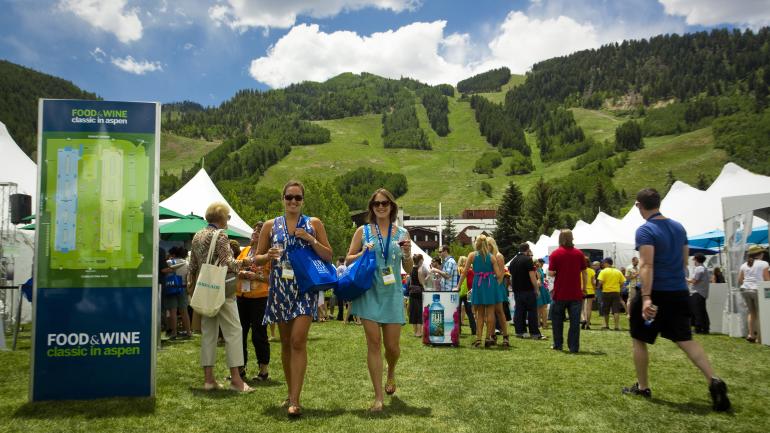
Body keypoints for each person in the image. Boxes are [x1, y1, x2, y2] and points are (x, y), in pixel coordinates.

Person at [623, 188, 730, 412]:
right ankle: (714, 380)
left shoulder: (645, 230)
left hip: (656, 292)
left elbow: (646, 264)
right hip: (679, 291)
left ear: (639, 205)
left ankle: (643, 386)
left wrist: (646, 298)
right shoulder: (679, 227)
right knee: (685, 339)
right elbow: (683, 261)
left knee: (639, 339)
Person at [254, 180, 334, 417]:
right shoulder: (270, 226)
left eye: (298, 198)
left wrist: (311, 240)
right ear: (283, 198)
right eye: (289, 197)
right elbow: (257, 258)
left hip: (305, 290)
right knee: (287, 343)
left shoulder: (313, 223)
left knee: (298, 341)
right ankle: (291, 393)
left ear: (303, 201)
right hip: (279, 290)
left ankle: (295, 401)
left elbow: (329, 256)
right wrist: (267, 255)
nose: (293, 202)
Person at [346, 188, 413, 412]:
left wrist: (408, 254)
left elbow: (408, 267)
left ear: (392, 206)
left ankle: (391, 372)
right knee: (373, 343)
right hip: (368, 293)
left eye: (385, 203)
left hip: (392, 293)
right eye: (377, 204)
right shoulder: (362, 231)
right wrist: (363, 251)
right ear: (372, 208)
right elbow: (347, 260)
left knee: (392, 347)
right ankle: (378, 397)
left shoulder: (402, 233)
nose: (381, 207)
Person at [187, 202, 255, 393]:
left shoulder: (197, 235)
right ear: (221, 217)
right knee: (234, 331)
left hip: (204, 289)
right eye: (228, 216)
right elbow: (229, 263)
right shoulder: (221, 235)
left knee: (209, 333)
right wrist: (248, 261)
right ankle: (236, 380)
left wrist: (191, 288)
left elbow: (192, 266)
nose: (228, 220)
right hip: (222, 289)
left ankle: (208, 379)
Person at [235, 222, 271, 382]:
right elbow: (233, 268)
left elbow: (273, 278)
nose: (255, 232)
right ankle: (240, 370)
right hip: (241, 296)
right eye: (255, 230)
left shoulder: (269, 255)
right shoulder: (244, 251)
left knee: (259, 334)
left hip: (260, 298)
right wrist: (240, 273)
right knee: (239, 334)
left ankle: (263, 371)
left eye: (260, 231)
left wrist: (256, 277)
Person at [457, 234, 503, 347]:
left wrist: (458, 286)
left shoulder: (472, 255)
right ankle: (488, 338)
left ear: (476, 244)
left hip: (478, 284)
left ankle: (478, 339)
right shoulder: (491, 257)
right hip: (489, 284)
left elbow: (464, 272)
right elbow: (498, 274)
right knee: (490, 312)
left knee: (480, 313)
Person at [547, 230, 588, 353]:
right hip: (575, 293)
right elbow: (584, 272)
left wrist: (557, 272)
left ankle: (558, 344)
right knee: (575, 323)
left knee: (557, 321)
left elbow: (551, 272)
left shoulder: (555, 254)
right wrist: (584, 288)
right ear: (572, 238)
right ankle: (574, 347)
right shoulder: (579, 254)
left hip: (560, 293)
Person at [510, 243, 546, 340]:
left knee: (519, 311)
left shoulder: (513, 261)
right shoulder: (527, 260)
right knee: (532, 312)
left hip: (517, 290)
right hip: (528, 290)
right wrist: (537, 289)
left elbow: (512, 277)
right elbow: (532, 276)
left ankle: (520, 332)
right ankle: (534, 333)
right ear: (528, 250)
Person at [738, 244, 769, 343]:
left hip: (745, 290)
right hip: (757, 290)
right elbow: (767, 280)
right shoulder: (764, 264)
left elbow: (740, 280)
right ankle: (760, 337)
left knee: (752, 313)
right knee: (761, 313)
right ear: (760, 254)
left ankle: (751, 334)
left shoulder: (744, 265)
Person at [164, 246, 192, 340]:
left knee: (173, 312)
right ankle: (188, 332)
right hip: (183, 288)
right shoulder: (186, 263)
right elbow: (189, 276)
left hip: (171, 288)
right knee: (184, 311)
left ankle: (174, 333)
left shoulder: (169, 262)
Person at [486, 237, 510, 347]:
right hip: (489, 286)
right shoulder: (488, 256)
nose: (487, 247)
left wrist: (495, 287)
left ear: (492, 245)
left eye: (488, 244)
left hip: (497, 287)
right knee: (490, 312)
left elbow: (501, 275)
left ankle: (505, 336)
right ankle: (492, 335)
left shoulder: (499, 256)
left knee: (499, 311)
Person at [597, 258, 625, 330]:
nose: (603, 264)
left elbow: (600, 282)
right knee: (616, 310)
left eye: (603, 262)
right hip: (616, 292)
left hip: (606, 292)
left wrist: (598, 289)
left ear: (607, 263)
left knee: (606, 310)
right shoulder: (618, 271)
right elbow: (622, 282)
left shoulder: (603, 271)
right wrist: (619, 288)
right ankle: (616, 326)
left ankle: (606, 325)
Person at [687, 253, 710, 335]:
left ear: (696, 259)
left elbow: (694, 281)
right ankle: (705, 328)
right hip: (701, 293)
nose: (693, 261)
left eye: (694, 259)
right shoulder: (703, 268)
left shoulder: (699, 268)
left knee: (697, 312)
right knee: (702, 311)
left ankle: (698, 328)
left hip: (697, 293)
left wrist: (684, 279)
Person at [407, 254, 427, 337]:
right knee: (419, 312)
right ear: (420, 260)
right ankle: (419, 332)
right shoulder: (420, 269)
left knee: (413, 312)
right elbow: (421, 282)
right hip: (419, 292)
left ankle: (415, 332)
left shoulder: (410, 269)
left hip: (412, 292)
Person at [457, 256, 476, 336]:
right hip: (469, 292)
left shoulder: (458, 270)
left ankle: (458, 329)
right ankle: (474, 329)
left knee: (458, 311)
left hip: (459, 292)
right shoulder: (470, 271)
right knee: (469, 312)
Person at [535, 258, 551, 330]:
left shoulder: (538, 270)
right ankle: (543, 324)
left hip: (540, 290)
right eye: (540, 262)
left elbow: (538, 282)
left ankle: (541, 324)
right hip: (541, 290)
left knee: (540, 309)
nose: (542, 263)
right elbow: (539, 282)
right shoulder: (539, 270)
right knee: (542, 308)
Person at [581, 256, 596, 330]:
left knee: (581, 307)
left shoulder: (578, 270)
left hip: (581, 290)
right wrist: (594, 291)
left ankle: (583, 319)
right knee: (589, 308)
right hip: (590, 291)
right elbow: (593, 282)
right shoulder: (592, 271)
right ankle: (587, 325)